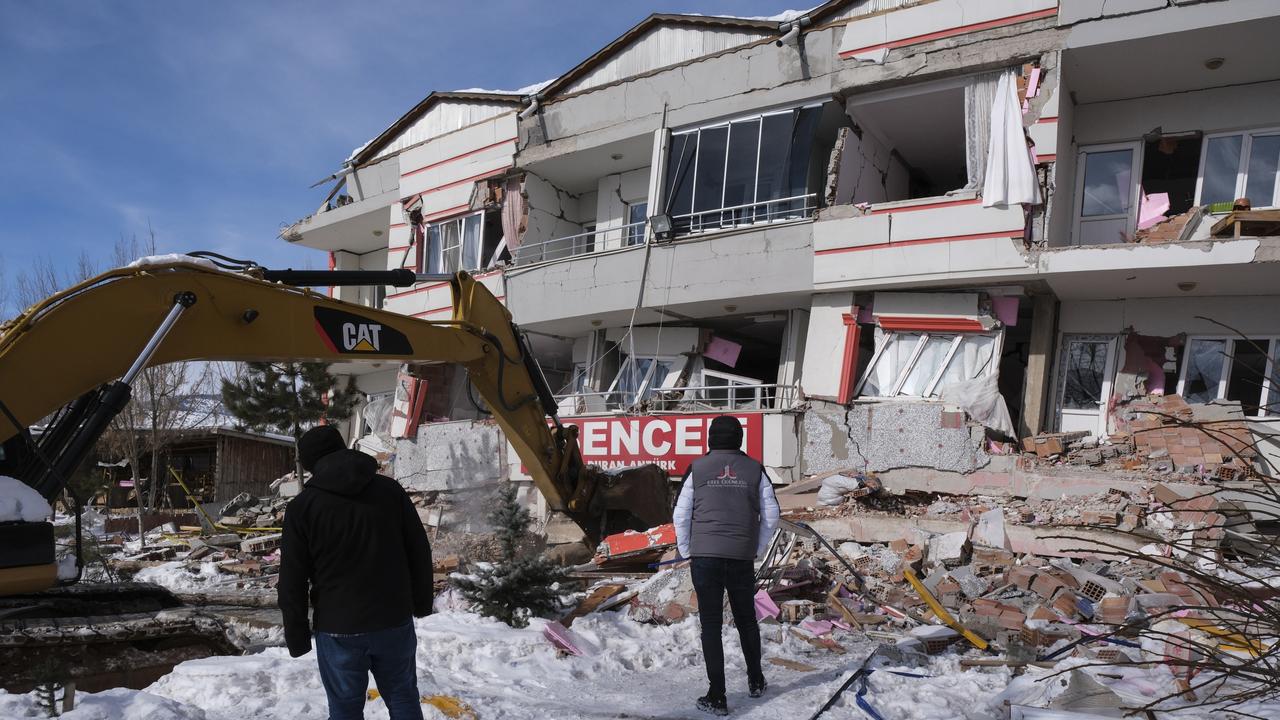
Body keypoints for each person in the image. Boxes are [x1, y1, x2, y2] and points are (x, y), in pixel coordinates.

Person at [278, 425, 434, 720]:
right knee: (402, 698)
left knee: (345, 710)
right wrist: (421, 602)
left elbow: (292, 580)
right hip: (393, 620)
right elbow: (418, 550)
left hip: (339, 628)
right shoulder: (390, 491)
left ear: (309, 463)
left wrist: (297, 636)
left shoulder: (303, 508)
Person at [672, 415, 780, 716]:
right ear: (739, 439)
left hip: (705, 556)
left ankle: (717, 697)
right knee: (746, 619)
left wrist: (687, 550)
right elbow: (771, 515)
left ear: (710, 438)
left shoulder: (697, 468)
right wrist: (756, 548)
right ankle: (756, 680)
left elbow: (680, 515)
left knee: (711, 624)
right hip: (740, 556)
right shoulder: (755, 469)